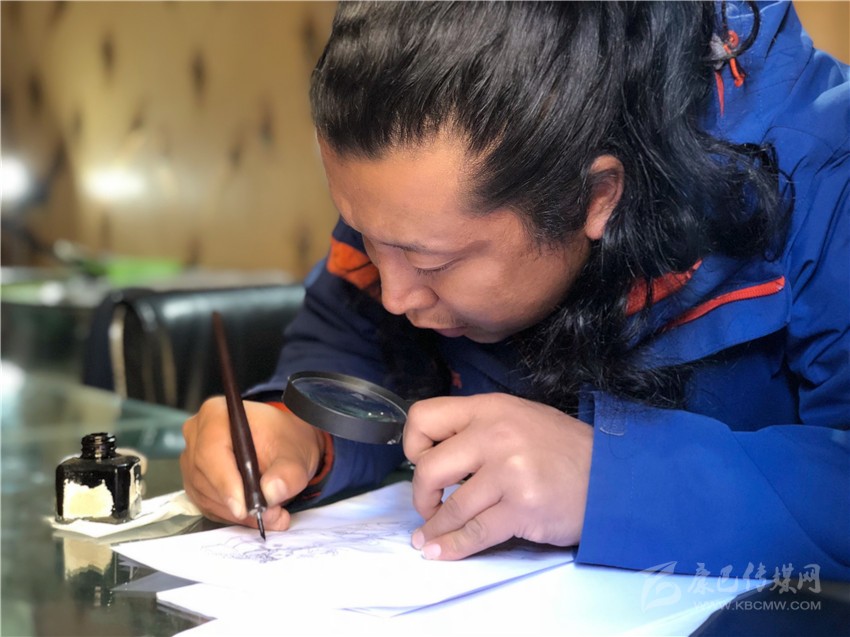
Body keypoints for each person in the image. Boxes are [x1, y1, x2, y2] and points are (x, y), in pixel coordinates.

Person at [181, 0, 850, 582]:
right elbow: (348, 341)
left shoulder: (824, 172)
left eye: (431, 261)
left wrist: (610, 478)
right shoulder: (411, 204)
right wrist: (301, 432)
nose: (394, 295)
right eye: (364, 234)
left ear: (596, 196)